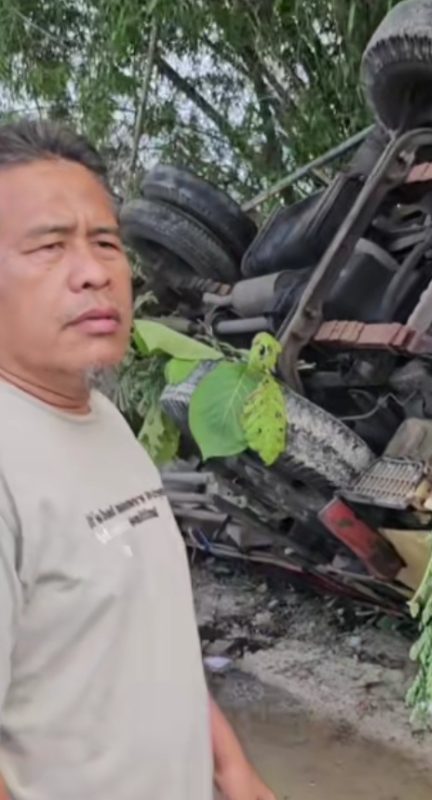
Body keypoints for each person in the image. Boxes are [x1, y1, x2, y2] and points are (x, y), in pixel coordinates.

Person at [0, 119, 275, 800]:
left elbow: (147, 643)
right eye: (49, 247)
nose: (95, 272)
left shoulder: (103, 425)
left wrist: (230, 768)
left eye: (105, 242)